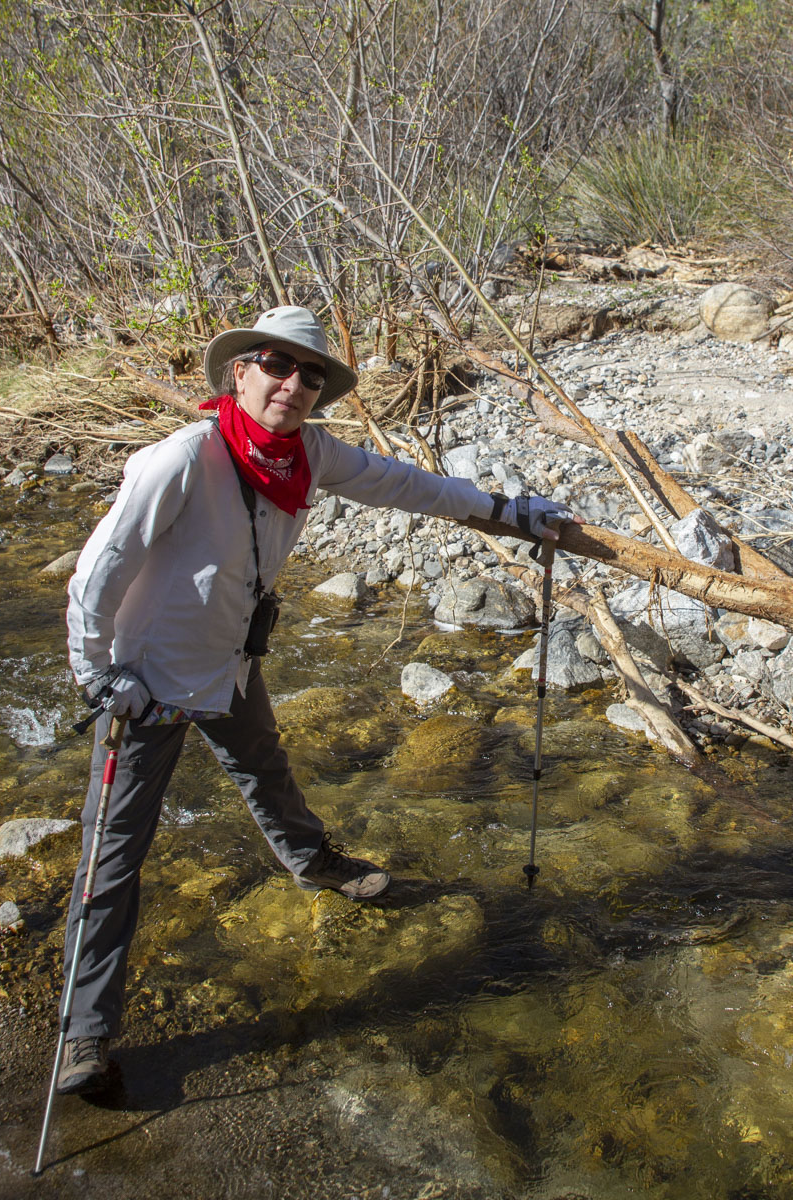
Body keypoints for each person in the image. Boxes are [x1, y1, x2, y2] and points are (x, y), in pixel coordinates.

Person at [58, 305, 577, 1093]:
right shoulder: (182, 458)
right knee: (113, 856)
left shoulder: (311, 454)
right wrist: (97, 674)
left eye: (310, 375)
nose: (293, 384)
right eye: (276, 365)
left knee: (265, 767)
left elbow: (405, 484)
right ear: (240, 373)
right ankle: (85, 1033)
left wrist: (507, 513)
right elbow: (99, 572)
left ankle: (312, 863)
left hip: (229, 666)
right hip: (145, 686)